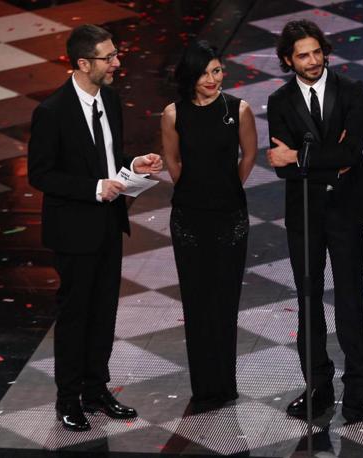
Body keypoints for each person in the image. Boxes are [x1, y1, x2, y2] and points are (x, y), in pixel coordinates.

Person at [28, 24, 163, 431]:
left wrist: (132, 164)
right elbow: (41, 174)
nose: (117, 63)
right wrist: (93, 188)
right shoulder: (51, 112)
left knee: (103, 311)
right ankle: (68, 399)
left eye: (116, 54)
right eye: (109, 57)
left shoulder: (110, 99)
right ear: (83, 63)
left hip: (108, 223)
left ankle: (95, 389)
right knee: (76, 315)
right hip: (74, 230)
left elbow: (106, 154)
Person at [266, 20, 363, 424]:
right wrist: (326, 162)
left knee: (352, 304)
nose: (313, 61)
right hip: (304, 215)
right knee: (308, 302)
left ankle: (359, 394)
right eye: (303, 55)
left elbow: (351, 153)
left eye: (317, 52)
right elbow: (282, 168)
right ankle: (317, 389)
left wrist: (302, 159)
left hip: (346, 213)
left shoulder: (352, 91)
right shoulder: (280, 100)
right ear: (289, 60)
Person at [161, 40, 257, 414]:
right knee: (196, 300)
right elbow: (173, 161)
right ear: (190, 76)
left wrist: (228, 186)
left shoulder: (239, 109)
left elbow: (249, 154)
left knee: (225, 299)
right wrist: (196, 190)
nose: (213, 79)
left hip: (230, 216)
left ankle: (225, 383)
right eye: (204, 73)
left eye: (216, 71)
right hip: (188, 218)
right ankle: (204, 386)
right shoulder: (173, 114)